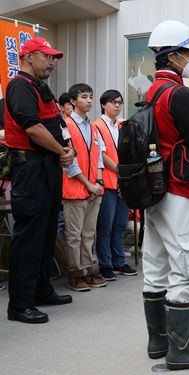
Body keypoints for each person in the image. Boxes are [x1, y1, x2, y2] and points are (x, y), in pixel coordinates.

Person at [142, 19, 189, 369]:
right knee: (188, 268)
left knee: (156, 265)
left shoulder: (150, 92)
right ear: (172, 56)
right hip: (179, 187)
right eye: (188, 52)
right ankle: (181, 350)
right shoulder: (179, 93)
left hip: (154, 192)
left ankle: (158, 342)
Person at [4, 37, 74, 324]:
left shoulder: (40, 88)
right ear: (28, 56)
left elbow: (54, 125)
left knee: (46, 233)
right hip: (31, 168)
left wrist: (65, 151)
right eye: (47, 56)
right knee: (30, 236)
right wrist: (61, 151)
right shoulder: (19, 85)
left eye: (54, 57)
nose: (52, 61)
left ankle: (42, 290)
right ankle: (20, 304)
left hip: (48, 167)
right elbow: (31, 128)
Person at [63, 83, 107, 291]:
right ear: (72, 101)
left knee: (89, 233)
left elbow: (98, 157)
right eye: (83, 97)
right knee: (74, 235)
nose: (88, 100)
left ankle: (89, 270)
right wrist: (88, 184)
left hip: (93, 189)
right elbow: (68, 162)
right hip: (75, 189)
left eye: (90, 97)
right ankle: (75, 273)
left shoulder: (92, 127)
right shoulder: (66, 125)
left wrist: (98, 182)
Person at [95, 90, 137, 281]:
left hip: (123, 182)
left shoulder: (122, 126)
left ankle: (118, 261)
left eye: (119, 102)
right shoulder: (97, 126)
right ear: (104, 104)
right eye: (113, 102)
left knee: (120, 225)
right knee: (106, 226)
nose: (117, 105)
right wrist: (121, 172)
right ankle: (105, 264)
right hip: (109, 182)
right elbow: (101, 155)